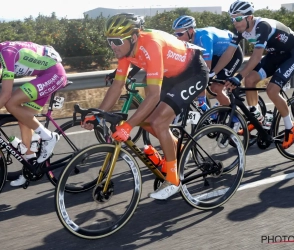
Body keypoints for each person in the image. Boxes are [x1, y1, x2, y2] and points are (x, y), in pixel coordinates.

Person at [82, 13, 209, 200]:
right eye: (109, 41)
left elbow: (153, 95)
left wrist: (127, 126)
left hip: (193, 72)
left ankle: (174, 180)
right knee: (148, 122)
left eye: (117, 41)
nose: (113, 46)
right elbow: (117, 86)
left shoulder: (151, 44)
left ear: (133, 37)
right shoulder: (125, 52)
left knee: (158, 122)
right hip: (172, 76)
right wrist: (98, 114)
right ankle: (178, 151)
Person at [219, 0, 294, 149]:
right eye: (232, 19)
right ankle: (257, 118)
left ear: (249, 17)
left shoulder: (262, 26)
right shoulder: (240, 30)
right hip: (274, 55)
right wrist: (212, 73)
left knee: (271, 90)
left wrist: (238, 76)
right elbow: (228, 53)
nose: (235, 23)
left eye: (238, 18)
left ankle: (290, 126)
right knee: (249, 80)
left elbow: (256, 57)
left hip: (291, 55)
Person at [0, 41, 67, 186]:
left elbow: (5, 95)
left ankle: (49, 137)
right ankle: (29, 168)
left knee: (11, 103)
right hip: (44, 75)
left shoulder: (7, 53)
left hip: (54, 74)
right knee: (23, 118)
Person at [172, 16, 243, 111]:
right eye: (176, 34)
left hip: (233, 54)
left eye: (180, 34)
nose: (178, 37)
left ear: (190, 30)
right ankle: (204, 106)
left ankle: (235, 117)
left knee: (215, 87)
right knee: (198, 76)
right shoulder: (188, 40)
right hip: (218, 55)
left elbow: (207, 67)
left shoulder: (204, 38)